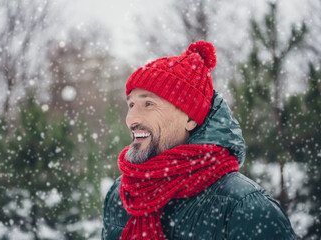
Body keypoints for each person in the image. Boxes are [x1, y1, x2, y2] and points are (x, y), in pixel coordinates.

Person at [102, 40, 296, 240]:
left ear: (190, 118)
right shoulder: (123, 195)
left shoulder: (245, 206)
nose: (131, 119)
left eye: (148, 104)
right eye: (131, 105)